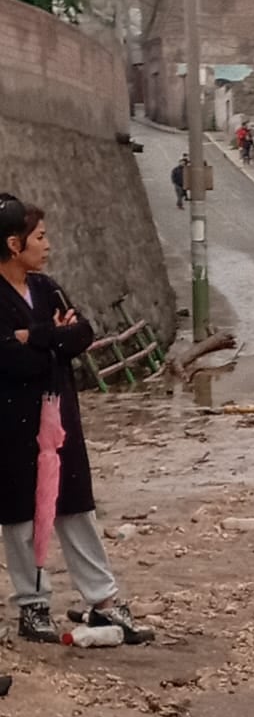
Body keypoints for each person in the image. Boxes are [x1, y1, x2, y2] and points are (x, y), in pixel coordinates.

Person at [0, 197, 154, 645]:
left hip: (59, 417)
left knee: (75, 507)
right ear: (14, 244)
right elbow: (9, 359)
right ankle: (33, 607)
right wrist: (51, 341)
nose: (48, 246)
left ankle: (103, 602)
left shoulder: (46, 287)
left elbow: (82, 333)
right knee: (23, 517)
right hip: (12, 422)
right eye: (40, 238)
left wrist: (38, 337)